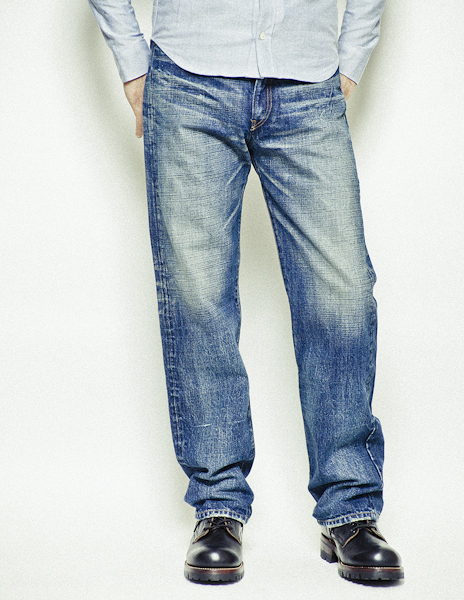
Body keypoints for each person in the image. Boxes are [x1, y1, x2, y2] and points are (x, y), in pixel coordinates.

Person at [88, 0, 403, 584]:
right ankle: (218, 505)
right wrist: (132, 61)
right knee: (198, 296)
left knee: (343, 294)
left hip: (308, 81)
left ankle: (351, 510)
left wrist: (352, 55)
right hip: (189, 79)